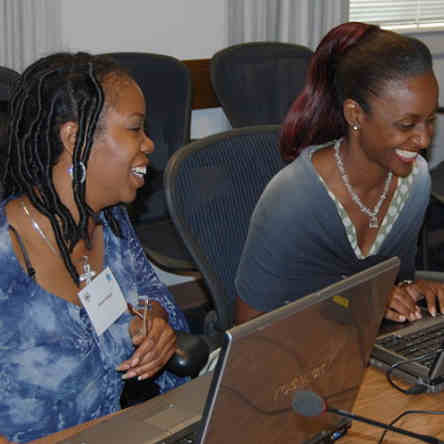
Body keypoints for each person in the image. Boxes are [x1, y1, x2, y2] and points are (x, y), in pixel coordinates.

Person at [0, 53, 190, 443]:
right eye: (135, 128)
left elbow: (154, 296)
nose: (150, 143)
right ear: (74, 138)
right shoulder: (6, 251)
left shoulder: (112, 222)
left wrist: (155, 323)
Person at [235, 22, 444, 325]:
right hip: (282, 358)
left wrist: (411, 291)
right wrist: (360, 302)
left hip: (361, 340)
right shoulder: (293, 198)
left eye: (430, 121)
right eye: (406, 124)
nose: (424, 139)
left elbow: (391, 281)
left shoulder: (416, 181)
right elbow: (249, 329)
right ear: (355, 115)